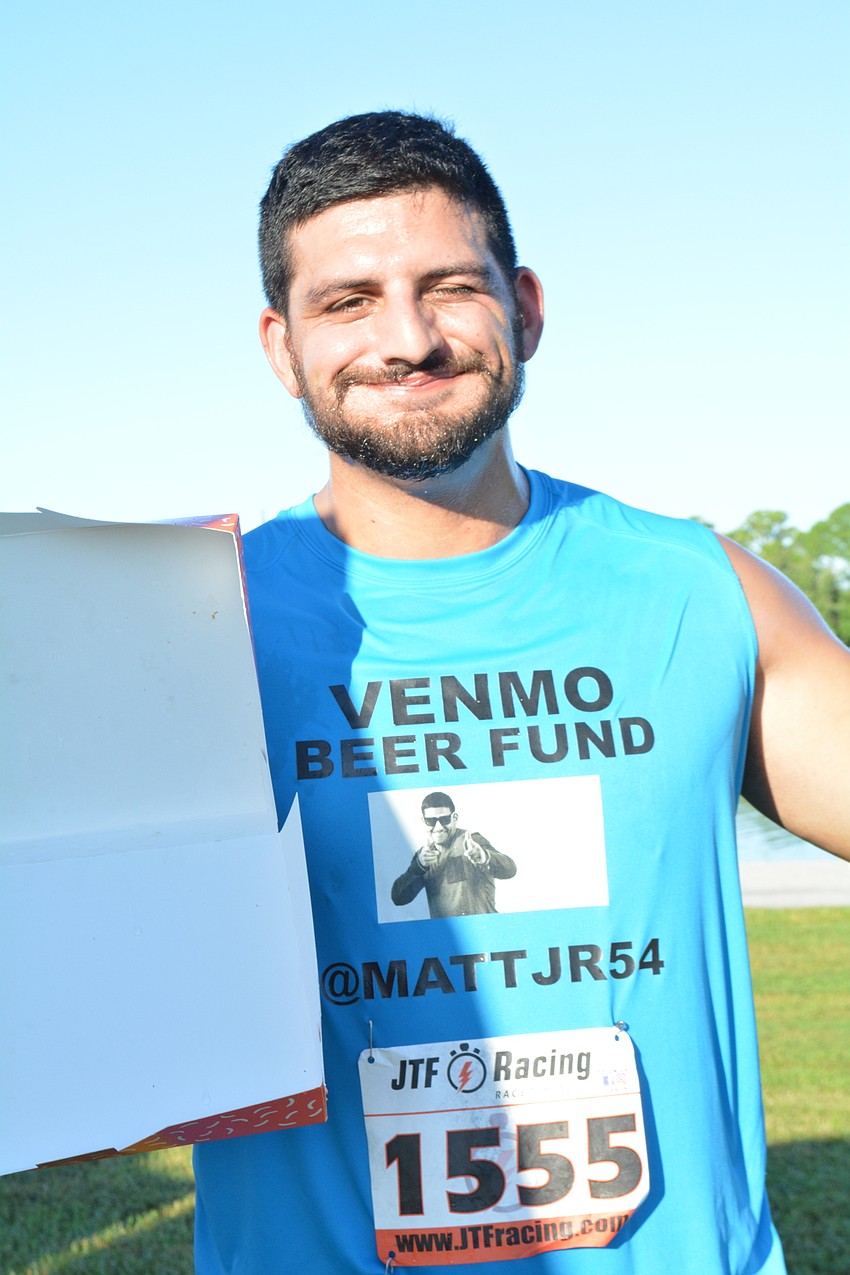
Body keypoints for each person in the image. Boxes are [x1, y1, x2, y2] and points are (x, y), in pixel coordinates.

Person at [192, 111, 850, 1274]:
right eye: (348, 302)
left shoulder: (699, 592)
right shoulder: (190, 630)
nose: (407, 339)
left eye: (448, 286)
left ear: (525, 307)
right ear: (279, 346)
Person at [391, 790, 517, 917]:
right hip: (445, 935)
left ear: (454, 818)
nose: (439, 827)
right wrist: (418, 867)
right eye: (431, 821)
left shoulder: (472, 841)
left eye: (444, 819)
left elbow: (510, 870)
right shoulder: (423, 856)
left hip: (483, 930)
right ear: (424, 821)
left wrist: (484, 857)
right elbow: (399, 898)